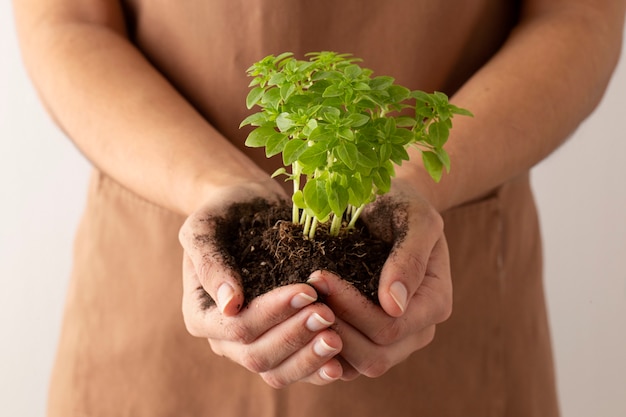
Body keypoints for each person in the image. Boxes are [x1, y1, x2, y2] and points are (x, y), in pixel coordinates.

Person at [13, 0, 625, 416]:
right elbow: (67, 19)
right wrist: (208, 184)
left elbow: (580, 14)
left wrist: (415, 176)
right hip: (151, 288)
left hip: (437, 285)